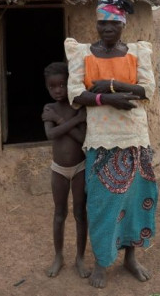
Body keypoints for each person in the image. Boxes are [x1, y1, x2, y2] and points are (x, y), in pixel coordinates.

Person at [64, 0, 158, 289]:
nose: (107, 28)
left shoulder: (137, 53)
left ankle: (130, 257)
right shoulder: (83, 54)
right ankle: (102, 262)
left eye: (113, 23)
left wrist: (113, 85)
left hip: (135, 140)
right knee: (101, 206)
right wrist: (107, 98)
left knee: (134, 203)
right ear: (97, 24)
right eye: (102, 22)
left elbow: (147, 91)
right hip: (101, 142)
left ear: (122, 25)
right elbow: (76, 94)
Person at [41, 62, 90, 278]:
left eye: (62, 84)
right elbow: (51, 135)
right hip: (59, 169)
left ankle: (80, 258)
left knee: (80, 213)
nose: (58, 90)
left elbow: (82, 139)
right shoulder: (49, 109)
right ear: (47, 87)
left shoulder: (78, 107)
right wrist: (73, 121)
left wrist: (62, 122)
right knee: (59, 213)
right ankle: (58, 256)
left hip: (80, 168)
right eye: (52, 86)